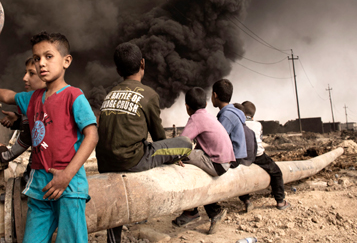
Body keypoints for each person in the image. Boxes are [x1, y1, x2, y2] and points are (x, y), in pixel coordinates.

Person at [0, 31, 98, 243]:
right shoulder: (32, 98)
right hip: (39, 185)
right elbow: (8, 96)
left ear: (66, 61)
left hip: (69, 185)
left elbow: (92, 136)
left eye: (48, 56)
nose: (41, 63)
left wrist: (67, 175)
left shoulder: (74, 95)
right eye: (37, 58)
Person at [96, 42, 193, 243]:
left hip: (104, 162)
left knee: (117, 199)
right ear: (142, 63)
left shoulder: (109, 94)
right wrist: (172, 158)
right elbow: (158, 137)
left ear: (117, 69)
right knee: (184, 142)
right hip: (132, 160)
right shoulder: (148, 94)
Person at [172, 87, 235, 234]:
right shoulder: (208, 116)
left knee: (181, 158)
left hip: (217, 163)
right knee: (189, 160)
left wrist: (177, 157)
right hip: (225, 161)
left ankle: (191, 211)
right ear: (206, 104)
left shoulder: (196, 118)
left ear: (187, 107)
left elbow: (181, 143)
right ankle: (198, 211)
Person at [0, 57, 47, 181]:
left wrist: (4, 154)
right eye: (25, 72)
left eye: (31, 73)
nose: (24, 78)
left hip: (40, 174)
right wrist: (18, 121)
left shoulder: (31, 99)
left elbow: (26, 137)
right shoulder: (64, 96)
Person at [239, 101, 291, 211]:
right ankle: (280, 201)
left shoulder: (239, 123)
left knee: (242, 176)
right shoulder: (258, 125)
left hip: (243, 156)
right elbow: (260, 140)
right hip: (258, 155)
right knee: (276, 173)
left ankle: (246, 200)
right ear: (253, 115)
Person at [211, 79, 248, 164]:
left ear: (214, 95)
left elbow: (217, 141)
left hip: (233, 159)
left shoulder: (226, 116)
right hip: (238, 157)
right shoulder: (231, 113)